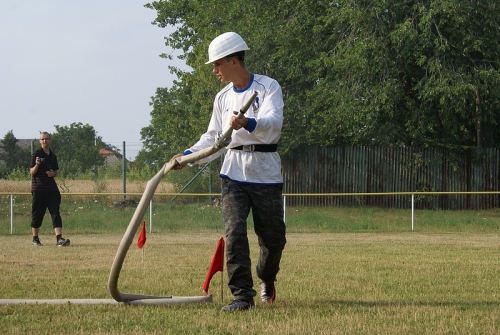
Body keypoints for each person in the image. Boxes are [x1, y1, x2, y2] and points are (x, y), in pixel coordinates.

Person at [170, 32, 286, 311]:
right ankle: (242, 296)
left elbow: (274, 125)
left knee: (273, 240)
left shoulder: (268, 87)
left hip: (266, 175)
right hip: (232, 174)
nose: (214, 71)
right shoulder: (222, 98)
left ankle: (266, 277)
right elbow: (213, 138)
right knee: (234, 233)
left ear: (234, 61)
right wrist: (187, 156)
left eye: (217, 64)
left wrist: (247, 122)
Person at [29, 132, 70, 247]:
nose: (44, 141)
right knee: (38, 214)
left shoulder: (53, 155)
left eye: (46, 139)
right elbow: (32, 172)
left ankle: (59, 239)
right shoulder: (36, 154)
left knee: (55, 213)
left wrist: (53, 174)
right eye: (42, 139)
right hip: (39, 189)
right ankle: (35, 239)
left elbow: (56, 171)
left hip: (51, 189)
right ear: (39, 141)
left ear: (50, 140)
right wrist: (37, 165)